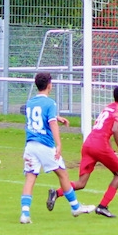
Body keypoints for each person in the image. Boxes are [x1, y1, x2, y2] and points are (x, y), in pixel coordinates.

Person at [19, 72, 94, 224]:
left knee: (30, 178)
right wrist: (58, 144)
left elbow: (36, 118)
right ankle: (75, 207)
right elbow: (51, 123)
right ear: (49, 85)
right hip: (45, 145)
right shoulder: (50, 103)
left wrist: (56, 117)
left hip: (30, 145)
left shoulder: (30, 102)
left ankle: (25, 214)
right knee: (63, 174)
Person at [48, 85, 118, 218]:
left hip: (88, 143)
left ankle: (56, 193)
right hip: (100, 145)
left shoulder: (107, 108)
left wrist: (111, 149)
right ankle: (103, 206)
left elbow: (103, 129)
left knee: (81, 183)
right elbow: (115, 129)